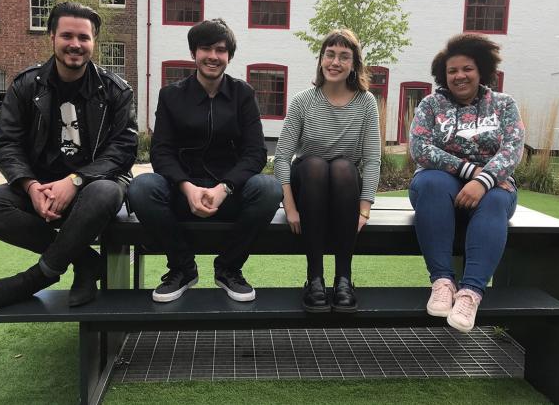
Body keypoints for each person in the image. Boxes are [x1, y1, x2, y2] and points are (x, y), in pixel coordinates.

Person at [0, 2, 138, 308]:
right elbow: (7, 143)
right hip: (43, 186)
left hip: (96, 183)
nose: (75, 44)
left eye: (84, 38)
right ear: (52, 37)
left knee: (103, 192)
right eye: (67, 36)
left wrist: (75, 180)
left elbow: (123, 150)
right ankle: (85, 261)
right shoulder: (25, 85)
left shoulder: (116, 91)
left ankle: (40, 275)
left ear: (93, 42)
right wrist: (30, 186)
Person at [128, 19, 282, 303]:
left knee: (270, 189)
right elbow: (161, 151)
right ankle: (183, 267)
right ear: (193, 53)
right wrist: (187, 187)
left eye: (221, 50)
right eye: (205, 48)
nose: (213, 56)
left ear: (229, 56)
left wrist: (224, 188)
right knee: (141, 188)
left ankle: (228, 268)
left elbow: (255, 152)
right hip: (182, 193)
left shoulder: (242, 94)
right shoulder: (172, 96)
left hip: (230, 194)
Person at [409, 33, 525, 333]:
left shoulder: (503, 104)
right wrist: (471, 173)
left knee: (497, 199)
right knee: (432, 183)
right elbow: (420, 148)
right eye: (452, 71)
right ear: (443, 75)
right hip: (440, 185)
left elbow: (512, 148)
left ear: (482, 70)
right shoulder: (431, 105)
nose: (459, 76)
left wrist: (485, 181)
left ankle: (471, 293)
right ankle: (442, 282)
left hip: (492, 188)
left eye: (467, 69)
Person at [274, 29, 381, 313]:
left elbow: (371, 160)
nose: (335, 62)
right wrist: (290, 206)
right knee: (315, 164)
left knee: (344, 167)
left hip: (344, 190)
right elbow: (282, 157)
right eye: (330, 54)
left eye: (344, 56)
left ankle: (344, 278)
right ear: (321, 60)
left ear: (354, 64)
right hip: (308, 185)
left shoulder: (366, 102)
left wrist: (364, 209)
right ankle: (315, 278)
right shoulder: (303, 101)